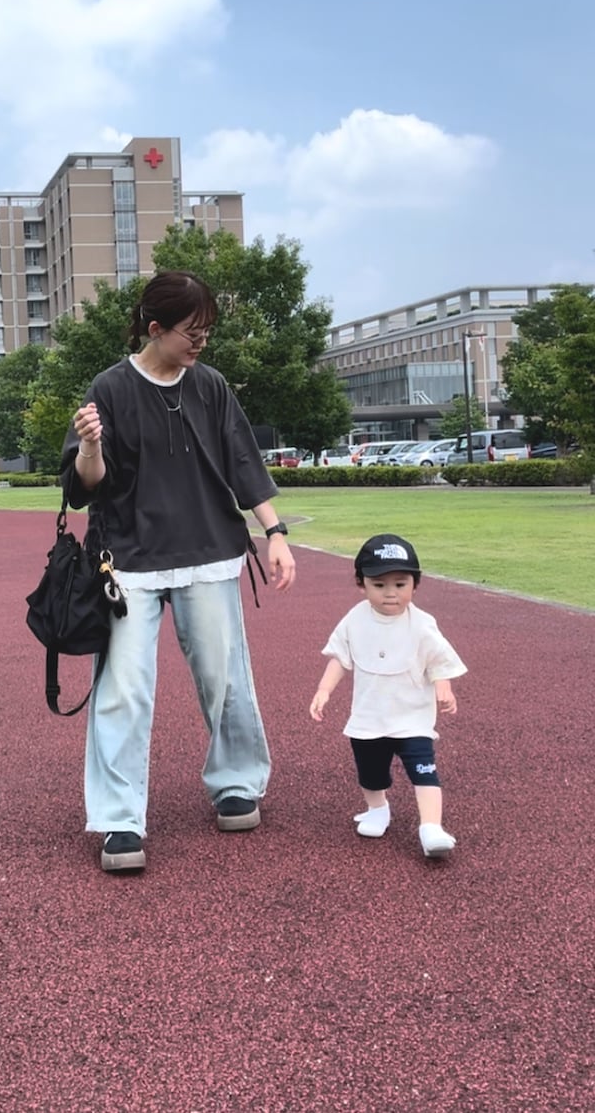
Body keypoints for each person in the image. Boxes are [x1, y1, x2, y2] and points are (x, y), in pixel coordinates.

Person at [62, 270, 296, 874]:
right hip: (129, 563)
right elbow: (84, 488)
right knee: (123, 692)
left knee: (225, 679)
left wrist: (275, 533)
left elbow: (244, 461)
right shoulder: (110, 388)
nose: (200, 344)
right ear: (155, 327)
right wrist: (89, 447)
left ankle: (237, 782)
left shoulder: (210, 386)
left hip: (210, 554)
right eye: (191, 332)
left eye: (207, 332)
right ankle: (119, 820)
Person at [309, 534, 467, 858]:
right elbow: (340, 657)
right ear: (361, 584)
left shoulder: (422, 624)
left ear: (415, 584)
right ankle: (378, 809)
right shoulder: (355, 620)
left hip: (413, 719)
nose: (390, 593)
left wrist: (443, 686)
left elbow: (439, 660)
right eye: (379, 585)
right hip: (369, 719)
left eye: (400, 583)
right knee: (371, 775)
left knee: (425, 771)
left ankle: (431, 828)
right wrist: (324, 690)